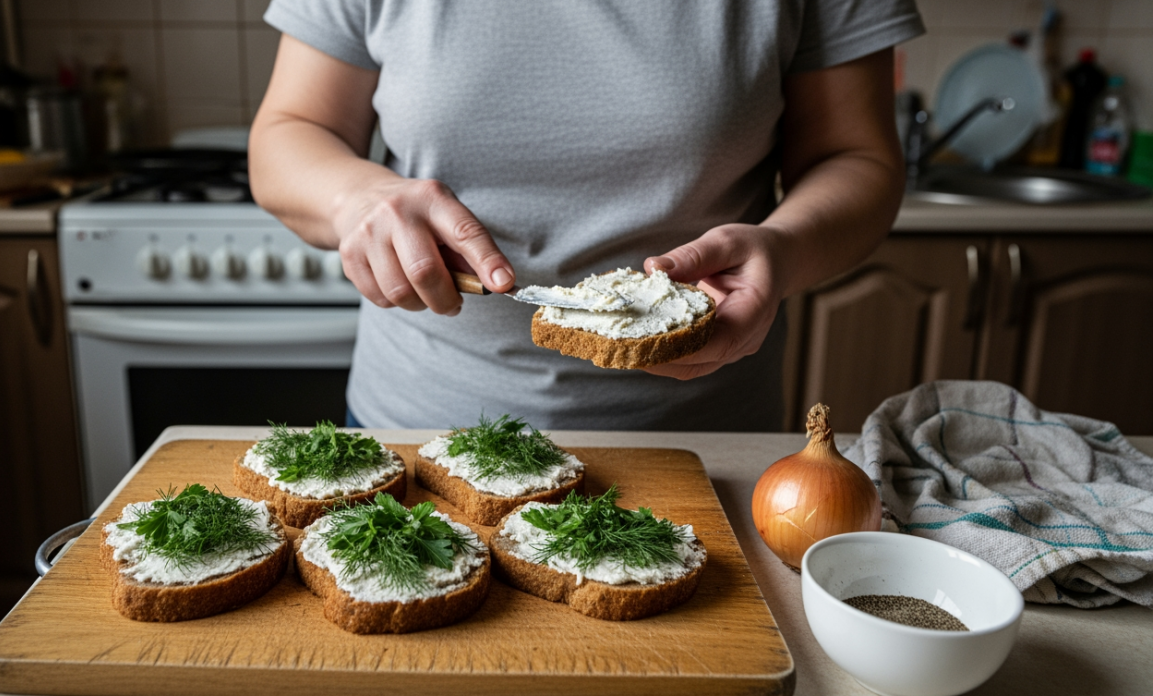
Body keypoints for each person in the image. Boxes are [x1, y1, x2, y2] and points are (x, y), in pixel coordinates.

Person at [249, 1, 924, 431]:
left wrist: (786, 246)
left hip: (697, 438)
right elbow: (287, 134)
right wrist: (354, 198)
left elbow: (857, 157)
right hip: (417, 428)